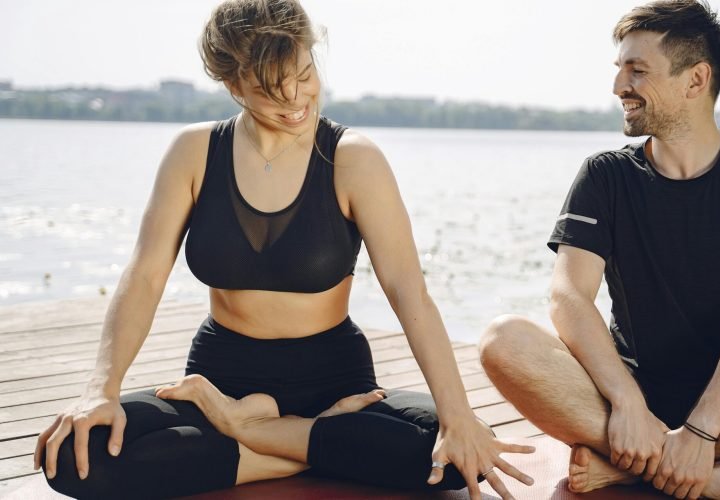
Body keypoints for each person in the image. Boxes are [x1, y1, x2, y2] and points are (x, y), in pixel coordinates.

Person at [33, 1, 533, 499]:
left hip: (336, 384)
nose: (296, 99)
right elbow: (144, 275)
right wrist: (101, 389)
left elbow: (408, 290)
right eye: (271, 90)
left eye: (304, 75)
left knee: (461, 455)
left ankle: (249, 431)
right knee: (78, 457)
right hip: (221, 375)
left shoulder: (352, 159)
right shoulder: (194, 153)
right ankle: (303, 446)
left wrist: (457, 416)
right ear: (234, 86)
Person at [479, 1, 720, 499]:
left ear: (695, 80)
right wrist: (627, 403)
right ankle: (710, 479)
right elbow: (569, 297)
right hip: (624, 404)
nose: (619, 86)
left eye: (637, 70)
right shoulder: (605, 175)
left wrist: (702, 430)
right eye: (620, 68)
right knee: (503, 341)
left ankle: (635, 468)